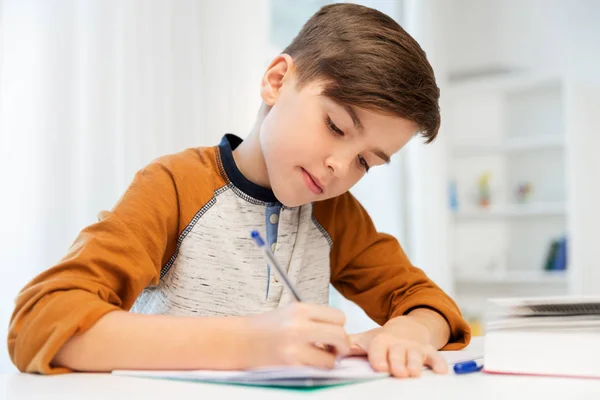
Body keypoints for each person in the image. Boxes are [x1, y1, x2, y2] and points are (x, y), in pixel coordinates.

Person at [8, 3, 470, 378]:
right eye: (335, 125)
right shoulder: (174, 187)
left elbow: (431, 305)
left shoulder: (336, 214)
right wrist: (251, 343)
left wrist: (413, 332)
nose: (339, 167)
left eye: (366, 162)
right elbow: (40, 323)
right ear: (276, 81)